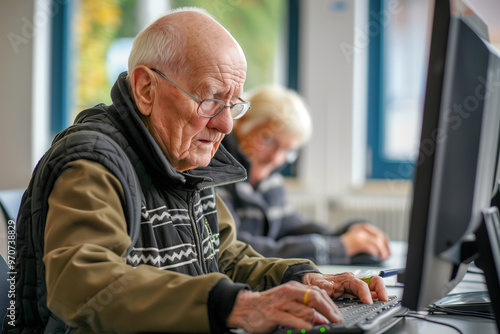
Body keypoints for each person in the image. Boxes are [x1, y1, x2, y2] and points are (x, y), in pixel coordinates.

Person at [6, 8, 387, 334]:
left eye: (232, 104)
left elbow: (223, 257)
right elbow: (84, 285)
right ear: (145, 89)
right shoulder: (91, 162)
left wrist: (302, 277)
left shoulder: (183, 157)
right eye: (209, 100)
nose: (225, 125)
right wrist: (234, 306)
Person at [217, 85, 391, 265]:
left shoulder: (269, 176)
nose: (276, 159)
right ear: (243, 120)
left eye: (287, 150)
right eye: (268, 140)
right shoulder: (214, 171)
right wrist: (337, 247)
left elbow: (291, 227)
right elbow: (235, 248)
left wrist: (347, 235)